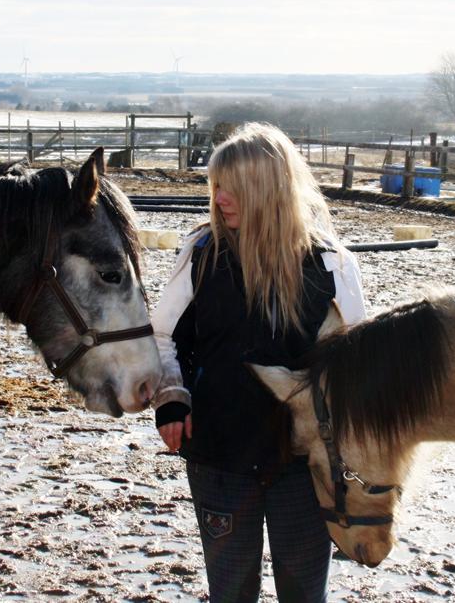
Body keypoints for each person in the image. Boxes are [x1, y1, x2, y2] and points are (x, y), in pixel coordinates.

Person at [151, 122, 366, 603]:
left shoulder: (331, 266)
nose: (219, 198)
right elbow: (162, 334)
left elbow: (359, 365)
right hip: (219, 457)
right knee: (231, 595)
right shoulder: (201, 254)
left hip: (302, 469)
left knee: (304, 595)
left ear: (267, 189)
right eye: (215, 186)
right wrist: (171, 398)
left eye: (232, 188)